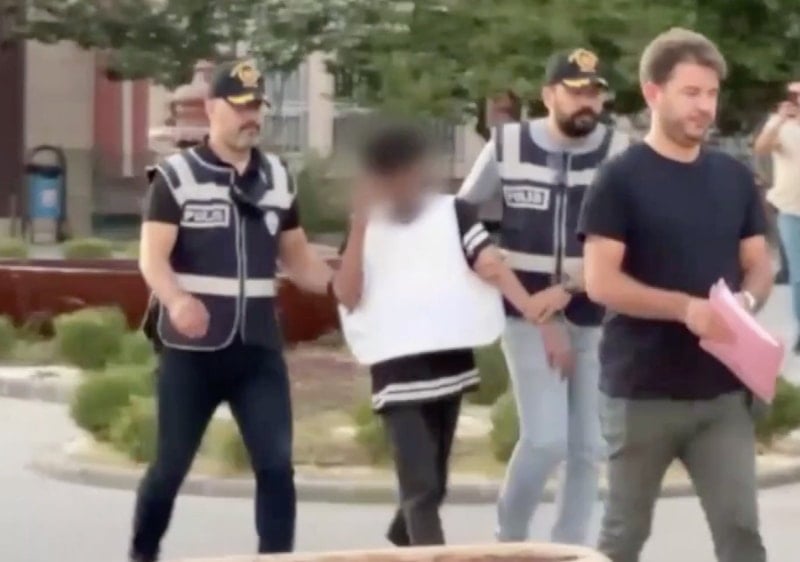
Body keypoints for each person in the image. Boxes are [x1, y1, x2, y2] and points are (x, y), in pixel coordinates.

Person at [578, 28, 772, 562]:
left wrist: (745, 306)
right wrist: (686, 309)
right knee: (623, 538)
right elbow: (601, 282)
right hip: (641, 393)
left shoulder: (734, 177)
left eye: (711, 94)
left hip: (722, 395)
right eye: (691, 93)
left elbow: (759, 263)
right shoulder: (618, 180)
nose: (704, 106)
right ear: (653, 93)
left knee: (742, 537)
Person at [129, 59, 334, 562]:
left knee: (276, 467)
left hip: (258, 350)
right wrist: (177, 301)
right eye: (241, 106)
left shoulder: (278, 178)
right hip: (192, 352)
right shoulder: (176, 176)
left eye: (257, 107)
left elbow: (298, 259)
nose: (251, 117)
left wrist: (343, 285)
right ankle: (141, 554)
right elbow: (151, 258)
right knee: (169, 467)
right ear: (211, 108)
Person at [333, 124, 555, 547]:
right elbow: (347, 294)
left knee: (433, 483)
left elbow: (488, 263)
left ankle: (402, 542)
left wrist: (531, 309)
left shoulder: (454, 212)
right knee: (421, 488)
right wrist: (359, 228)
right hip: (396, 370)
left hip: (447, 364)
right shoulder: (367, 223)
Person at [457, 48, 629, 545]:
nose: (587, 103)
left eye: (594, 93)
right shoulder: (508, 144)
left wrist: (571, 287)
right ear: (549, 94)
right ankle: (509, 542)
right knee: (547, 439)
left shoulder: (619, 152)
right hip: (524, 312)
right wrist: (488, 258)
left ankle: (570, 548)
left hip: (595, 315)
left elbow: (635, 235)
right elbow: (461, 213)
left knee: (589, 447)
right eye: (576, 92)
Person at [753, 83, 800, 352]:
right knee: (798, 275)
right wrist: (781, 120)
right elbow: (761, 147)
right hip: (791, 211)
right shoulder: (780, 124)